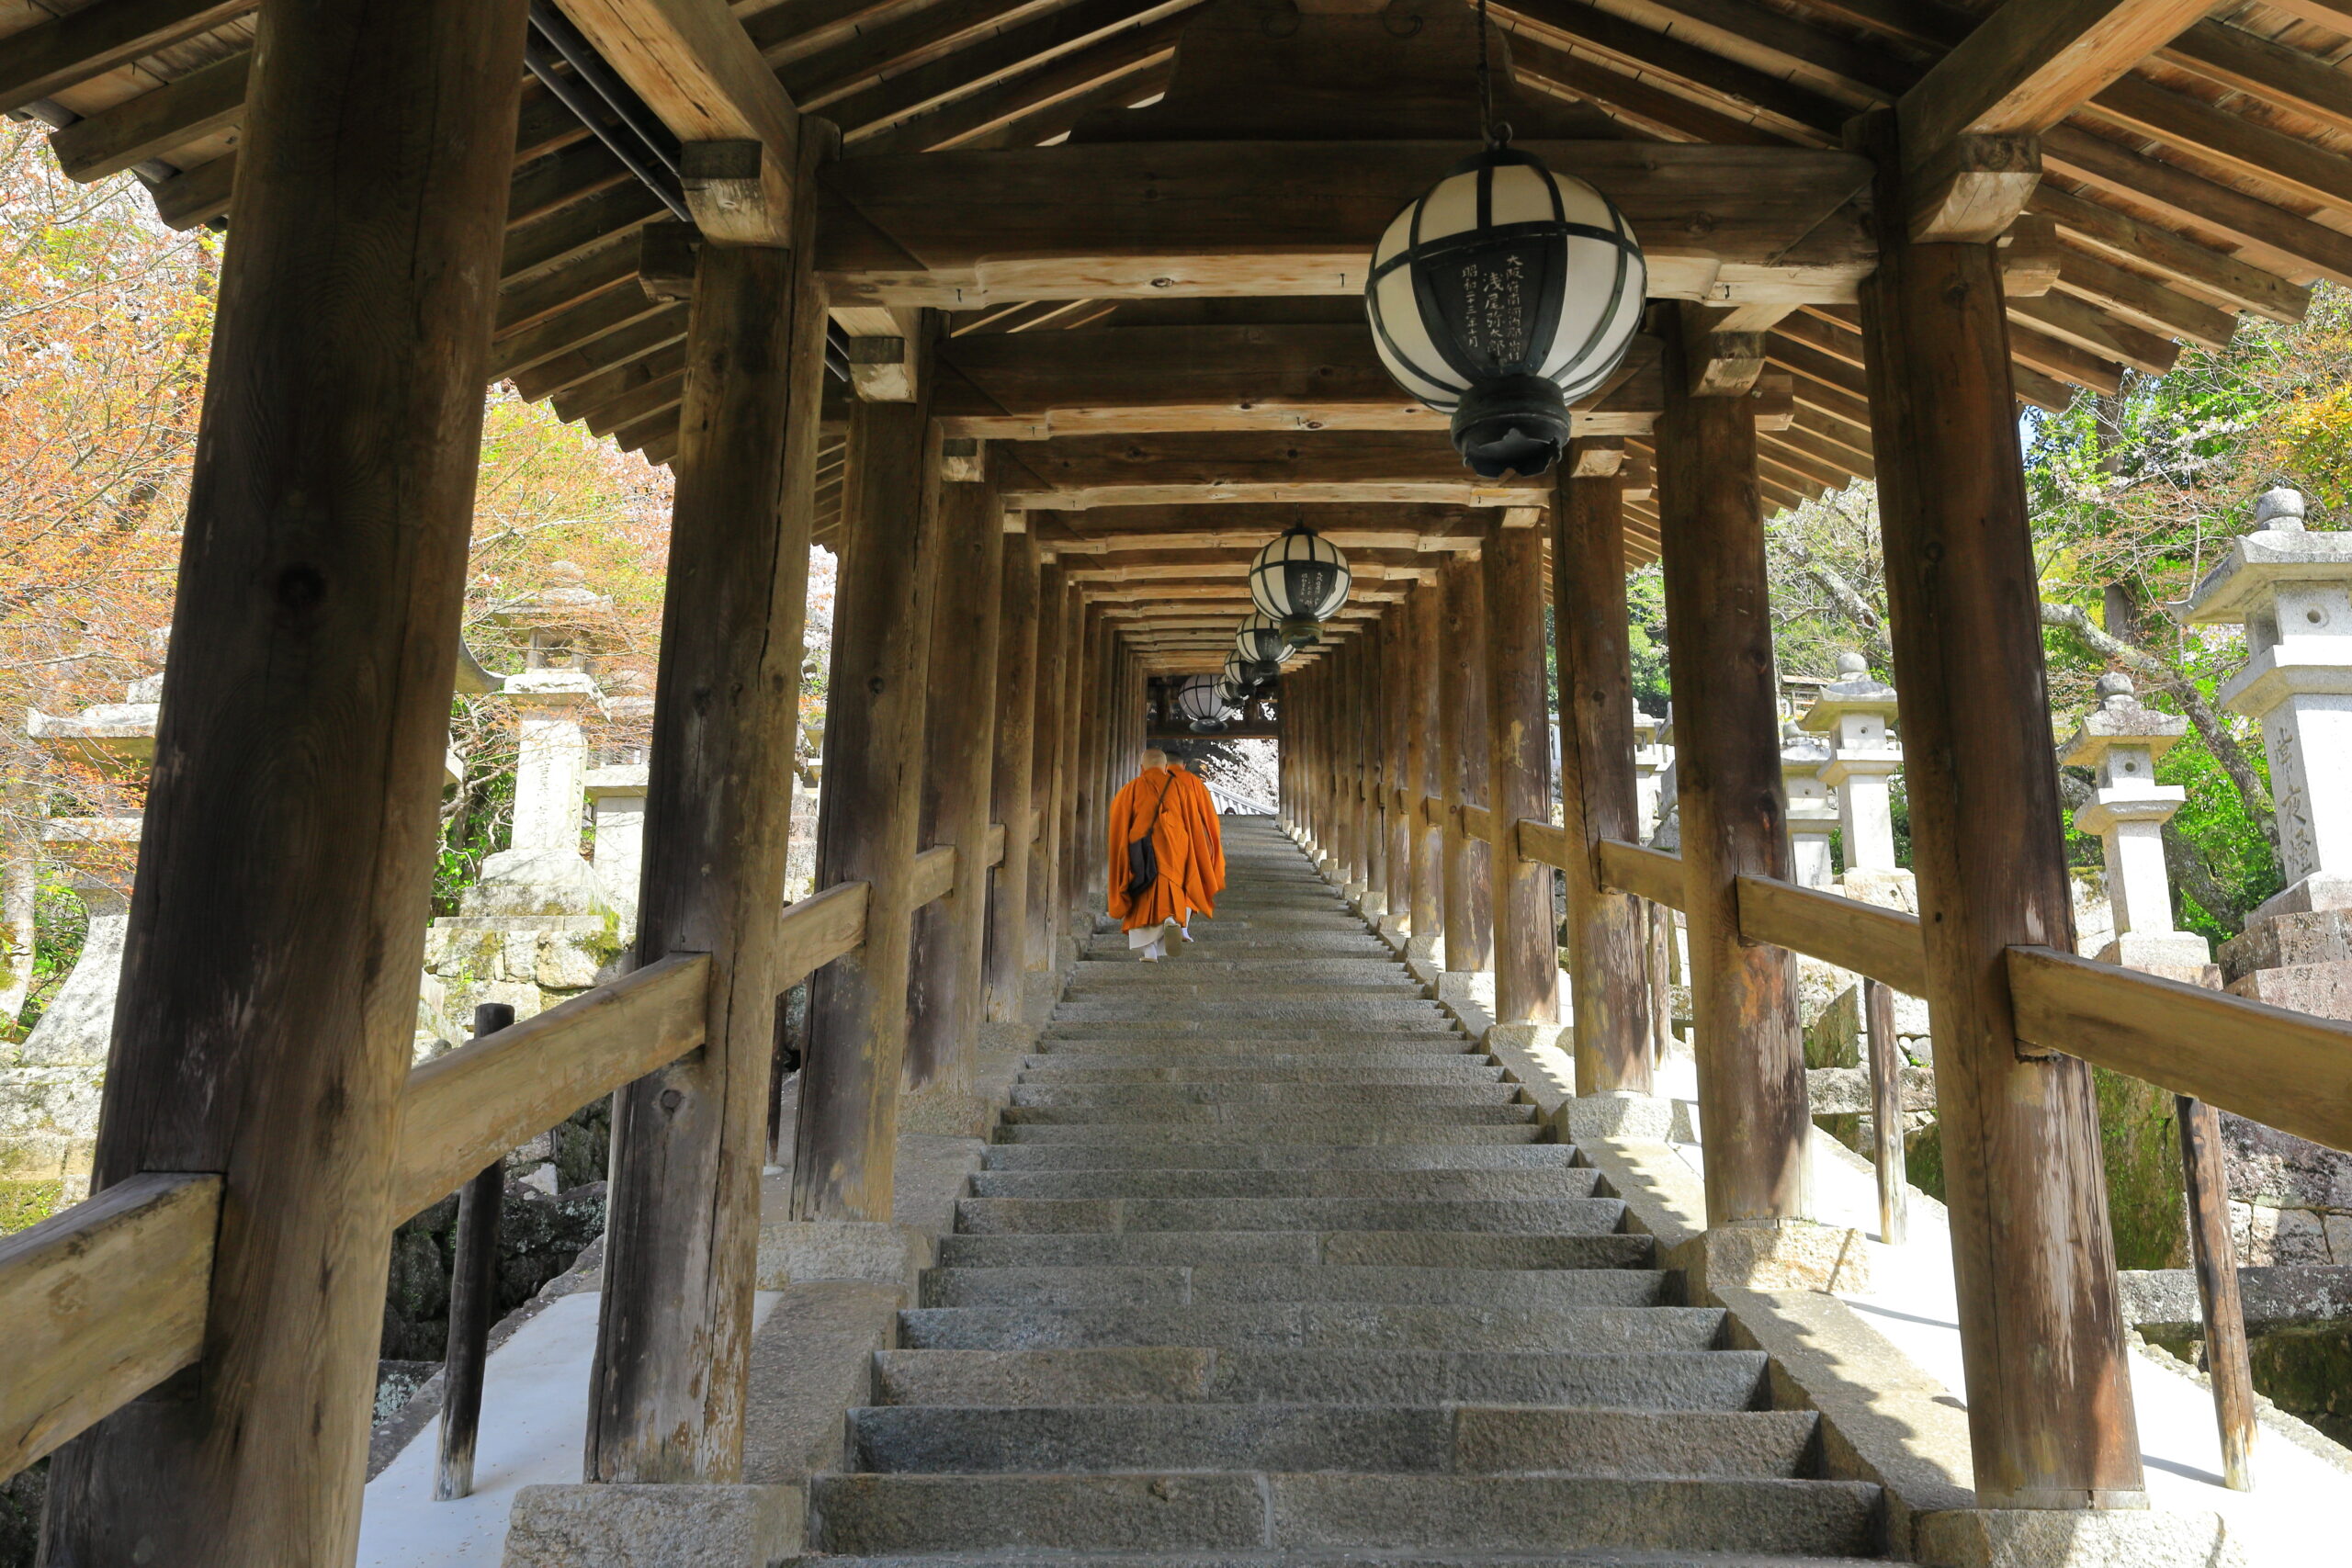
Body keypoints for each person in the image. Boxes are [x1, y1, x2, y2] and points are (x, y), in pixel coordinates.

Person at [1107, 748, 1215, 961]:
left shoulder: (1131, 789)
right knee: (1172, 889)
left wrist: (1122, 855)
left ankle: (1149, 950)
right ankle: (1170, 919)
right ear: (1166, 768)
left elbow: (1118, 826)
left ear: (1141, 768)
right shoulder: (1181, 788)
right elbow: (1194, 824)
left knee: (1143, 895)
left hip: (1142, 852)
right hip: (1176, 849)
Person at [1166, 751, 1225, 942]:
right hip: (1192, 840)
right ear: (1183, 765)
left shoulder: (1152, 781)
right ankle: (1183, 927)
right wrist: (1212, 844)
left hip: (1162, 840)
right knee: (1191, 882)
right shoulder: (1194, 783)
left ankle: (1167, 920)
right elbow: (1209, 817)